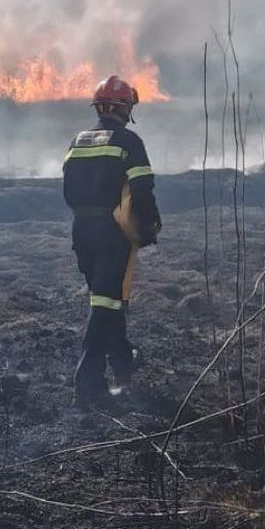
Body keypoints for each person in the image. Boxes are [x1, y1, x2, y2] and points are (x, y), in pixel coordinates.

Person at [62, 75, 162, 409]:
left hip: (81, 230)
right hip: (111, 232)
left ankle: (123, 365)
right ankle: (87, 383)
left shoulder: (77, 140)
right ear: (126, 109)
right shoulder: (129, 141)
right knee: (105, 303)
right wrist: (148, 227)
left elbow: (68, 190)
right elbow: (143, 190)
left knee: (109, 300)